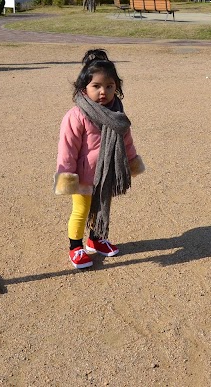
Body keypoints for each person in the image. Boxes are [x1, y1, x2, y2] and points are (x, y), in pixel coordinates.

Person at [54, 49, 145, 269]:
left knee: (103, 207)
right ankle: (75, 247)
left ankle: (96, 238)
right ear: (83, 87)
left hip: (107, 173)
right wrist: (67, 176)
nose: (103, 91)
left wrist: (131, 162)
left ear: (117, 87)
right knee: (81, 211)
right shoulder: (76, 115)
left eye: (109, 86)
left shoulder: (117, 115)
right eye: (96, 86)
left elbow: (126, 142)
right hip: (84, 176)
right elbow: (67, 148)